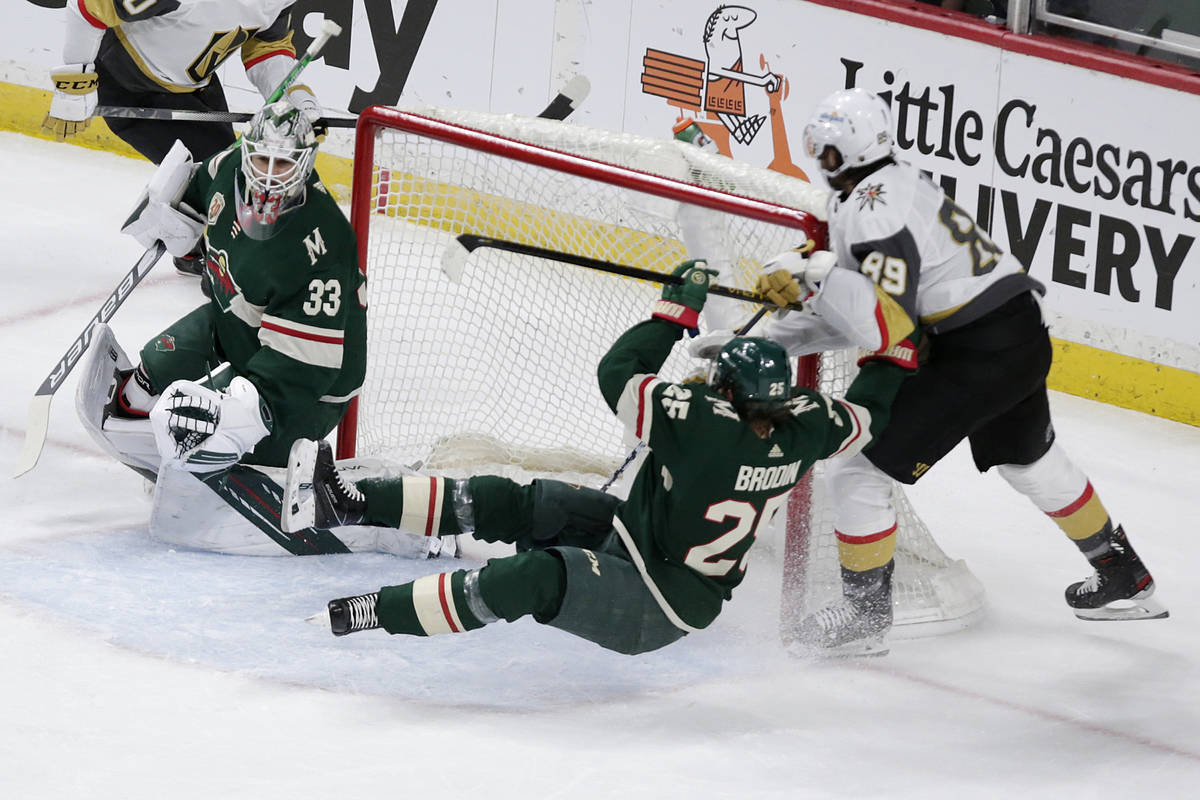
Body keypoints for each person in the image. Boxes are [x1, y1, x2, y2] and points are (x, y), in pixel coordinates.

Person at [279, 260, 919, 655]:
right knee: (524, 502)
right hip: (647, 542)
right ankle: (347, 501)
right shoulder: (807, 425)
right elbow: (869, 411)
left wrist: (673, 312)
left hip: (657, 600)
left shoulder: (700, 422)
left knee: (533, 576)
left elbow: (618, 369)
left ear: (729, 393)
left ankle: (369, 614)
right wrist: (897, 347)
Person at [752, 87, 1167, 652]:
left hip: (976, 352)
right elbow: (868, 315)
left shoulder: (875, 210)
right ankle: (1124, 575)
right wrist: (776, 332)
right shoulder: (889, 184)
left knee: (857, 468)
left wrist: (819, 276)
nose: (818, 160)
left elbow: (884, 326)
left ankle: (865, 617)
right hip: (1017, 332)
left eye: (824, 150)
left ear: (847, 151)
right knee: (1030, 460)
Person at [78, 98, 366, 556]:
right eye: (262, 158)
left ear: (306, 164)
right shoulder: (230, 163)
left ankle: (238, 466)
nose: (270, 175)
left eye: (284, 163)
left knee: (200, 423)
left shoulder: (321, 244)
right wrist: (172, 215)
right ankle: (176, 462)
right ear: (247, 151)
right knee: (152, 371)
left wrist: (236, 416)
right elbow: (195, 190)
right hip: (236, 321)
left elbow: (306, 369)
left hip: (308, 388)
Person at [42, 0, 324, 277]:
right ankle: (207, 250)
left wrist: (294, 96)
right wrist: (74, 84)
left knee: (228, 175)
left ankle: (197, 243)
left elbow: (267, 48)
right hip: (130, 88)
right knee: (228, 181)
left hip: (196, 85)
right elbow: (88, 8)